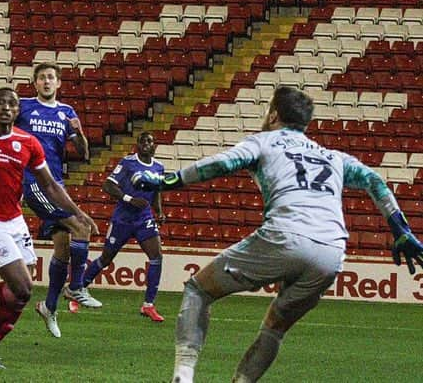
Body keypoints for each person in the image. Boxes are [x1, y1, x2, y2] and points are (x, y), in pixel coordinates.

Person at [132, 86, 423, 383]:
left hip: (284, 235)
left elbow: (223, 163)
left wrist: (169, 179)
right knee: (275, 328)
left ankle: (183, 377)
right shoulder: (331, 156)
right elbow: (375, 180)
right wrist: (400, 229)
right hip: (331, 252)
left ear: (273, 114)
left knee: (199, 290)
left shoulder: (264, 142)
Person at [0, 87, 98, 366]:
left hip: (15, 221)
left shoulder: (28, 142)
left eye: (11, 104)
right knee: (24, 288)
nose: (6, 107)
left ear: (18, 112)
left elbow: (50, 185)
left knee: (17, 293)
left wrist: (77, 213)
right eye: (0, 103)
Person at [15, 62, 100, 331]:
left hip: (56, 184)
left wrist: (80, 132)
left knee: (63, 246)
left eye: (51, 78)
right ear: (35, 83)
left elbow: (83, 152)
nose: (47, 82)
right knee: (82, 225)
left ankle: (49, 306)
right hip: (32, 180)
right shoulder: (24, 106)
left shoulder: (67, 112)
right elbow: (1, 129)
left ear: (59, 83)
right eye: (42, 78)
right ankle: (76, 287)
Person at [79, 131, 166, 322]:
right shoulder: (127, 163)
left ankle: (148, 305)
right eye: (143, 141)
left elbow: (157, 190)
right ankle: (79, 289)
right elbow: (108, 185)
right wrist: (129, 199)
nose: (146, 143)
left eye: (150, 141)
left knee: (156, 257)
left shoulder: (159, 167)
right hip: (123, 218)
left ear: (154, 146)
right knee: (106, 258)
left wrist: (158, 211)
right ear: (137, 145)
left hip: (144, 218)